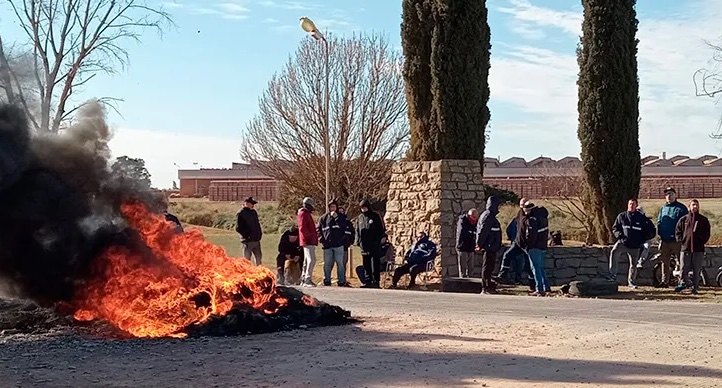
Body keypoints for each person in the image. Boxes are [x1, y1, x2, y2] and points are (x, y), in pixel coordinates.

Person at [607, 198, 656, 289]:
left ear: (636, 206)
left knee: (634, 264)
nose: (631, 206)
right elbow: (615, 228)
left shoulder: (641, 218)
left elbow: (651, 230)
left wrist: (643, 240)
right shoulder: (622, 216)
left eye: (633, 204)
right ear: (627, 205)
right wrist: (619, 236)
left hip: (635, 246)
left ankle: (631, 282)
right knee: (614, 252)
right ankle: (612, 275)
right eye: (630, 204)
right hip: (623, 242)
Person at [674, 199, 711, 294]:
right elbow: (678, 231)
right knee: (683, 268)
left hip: (698, 249)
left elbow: (707, 233)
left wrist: (701, 241)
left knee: (696, 269)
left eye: (697, 205)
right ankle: (683, 283)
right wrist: (682, 241)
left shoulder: (703, 220)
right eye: (693, 205)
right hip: (685, 248)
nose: (695, 207)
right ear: (689, 207)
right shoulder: (684, 219)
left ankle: (695, 287)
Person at [516, 200, 551, 296]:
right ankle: (546, 286)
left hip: (534, 247)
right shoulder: (542, 216)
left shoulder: (532, 219)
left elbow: (531, 235)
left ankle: (539, 289)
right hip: (542, 245)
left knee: (535, 268)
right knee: (540, 267)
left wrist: (528, 245)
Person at [656, 187, 688, 288]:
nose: (668, 196)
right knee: (665, 262)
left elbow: (686, 224)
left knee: (681, 262)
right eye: (666, 194)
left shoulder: (681, 208)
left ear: (675, 195)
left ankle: (683, 281)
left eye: (670, 194)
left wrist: (682, 237)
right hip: (665, 240)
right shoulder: (663, 208)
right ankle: (664, 281)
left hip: (677, 241)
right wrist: (660, 236)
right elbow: (659, 222)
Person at [317, 200, 350, 287]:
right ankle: (327, 280)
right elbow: (318, 230)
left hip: (339, 245)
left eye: (334, 207)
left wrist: (336, 218)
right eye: (331, 207)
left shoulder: (342, 217)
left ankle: (341, 281)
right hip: (327, 245)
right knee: (327, 263)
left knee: (340, 263)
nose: (332, 209)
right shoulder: (323, 218)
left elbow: (346, 228)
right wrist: (321, 240)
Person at [497, 198, 527, 285]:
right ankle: (504, 277)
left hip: (523, 244)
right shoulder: (517, 219)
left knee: (521, 263)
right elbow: (508, 230)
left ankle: (518, 280)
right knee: (509, 257)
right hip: (516, 243)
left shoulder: (527, 218)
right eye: (521, 205)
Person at [476, 196, 502, 294]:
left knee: (489, 267)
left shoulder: (489, 215)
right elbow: (483, 231)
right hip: (489, 246)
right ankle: (485, 287)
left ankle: (488, 286)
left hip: (492, 246)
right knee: (487, 267)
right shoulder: (488, 216)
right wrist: (480, 244)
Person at [356, 199, 385, 288]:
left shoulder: (375, 216)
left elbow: (381, 229)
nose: (363, 210)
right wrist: (358, 241)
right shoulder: (360, 218)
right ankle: (367, 281)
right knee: (366, 264)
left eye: (365, 208)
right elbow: (357, 230)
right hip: (364, 245)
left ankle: (376, 281)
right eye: (362, 208)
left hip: (374, 245)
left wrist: (378, 240)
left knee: (374, 264)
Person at [297, 197, 319, 287]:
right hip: (308, 240)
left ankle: (303, 278)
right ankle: (307, 278)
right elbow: (302, 228)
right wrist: (310, 235)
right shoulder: (303, 214)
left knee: (307, 260)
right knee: (312, 259)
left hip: (308, 240)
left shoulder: (305, 213)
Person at [235, 197, 263, 265]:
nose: (253, 205)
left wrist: (259, 234)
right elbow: (238, 228)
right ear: (246, 204)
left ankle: (259, 273)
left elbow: (257, 224)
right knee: (247, 260)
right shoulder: (241, 213)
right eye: (252, 204)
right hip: (247, 241)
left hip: (256, 240)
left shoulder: (253, 212)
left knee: (258, 258)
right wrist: (247, 236)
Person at [456, 208, 478, 278]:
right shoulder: (462, 221)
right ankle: (462, 281)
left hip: (471, 246)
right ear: (469, 215)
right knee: (463, 266)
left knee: (471, 266)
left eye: (476, 217)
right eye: (473, 217)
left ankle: (471, 280)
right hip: (462, 246)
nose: (475, 219)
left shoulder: (476, 223)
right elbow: (461, 233)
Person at [338, 206, 355, 271]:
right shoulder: (334, 221)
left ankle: (343, 278)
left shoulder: (348, 222)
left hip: (345, 246)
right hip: (335, 246)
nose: (341, 213)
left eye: (342, 212)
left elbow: (352, 232)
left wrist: (351, 241)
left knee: (344, 262)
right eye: (339, 212)